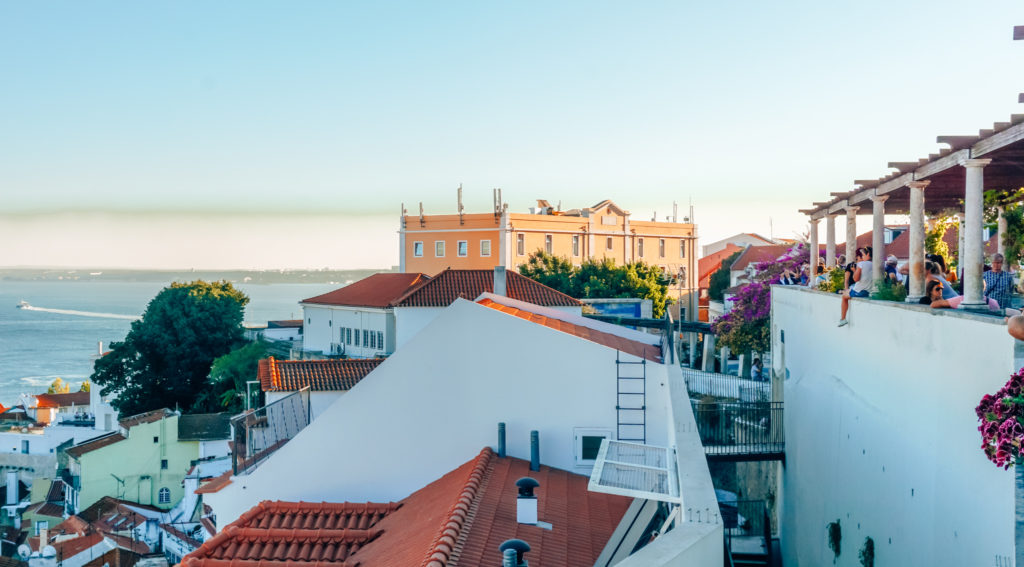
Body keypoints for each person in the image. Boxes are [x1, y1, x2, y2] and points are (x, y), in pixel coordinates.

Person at [838, 247, 873, 327]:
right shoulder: (874, 264)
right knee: (847, 290)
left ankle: (843, 319)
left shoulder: (861, 264)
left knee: (844, 296)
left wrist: (854, 270)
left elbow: (856, 279)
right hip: (869, 291)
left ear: (868, 254)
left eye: (863, 255)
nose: (861, 256)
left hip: (860, 291)